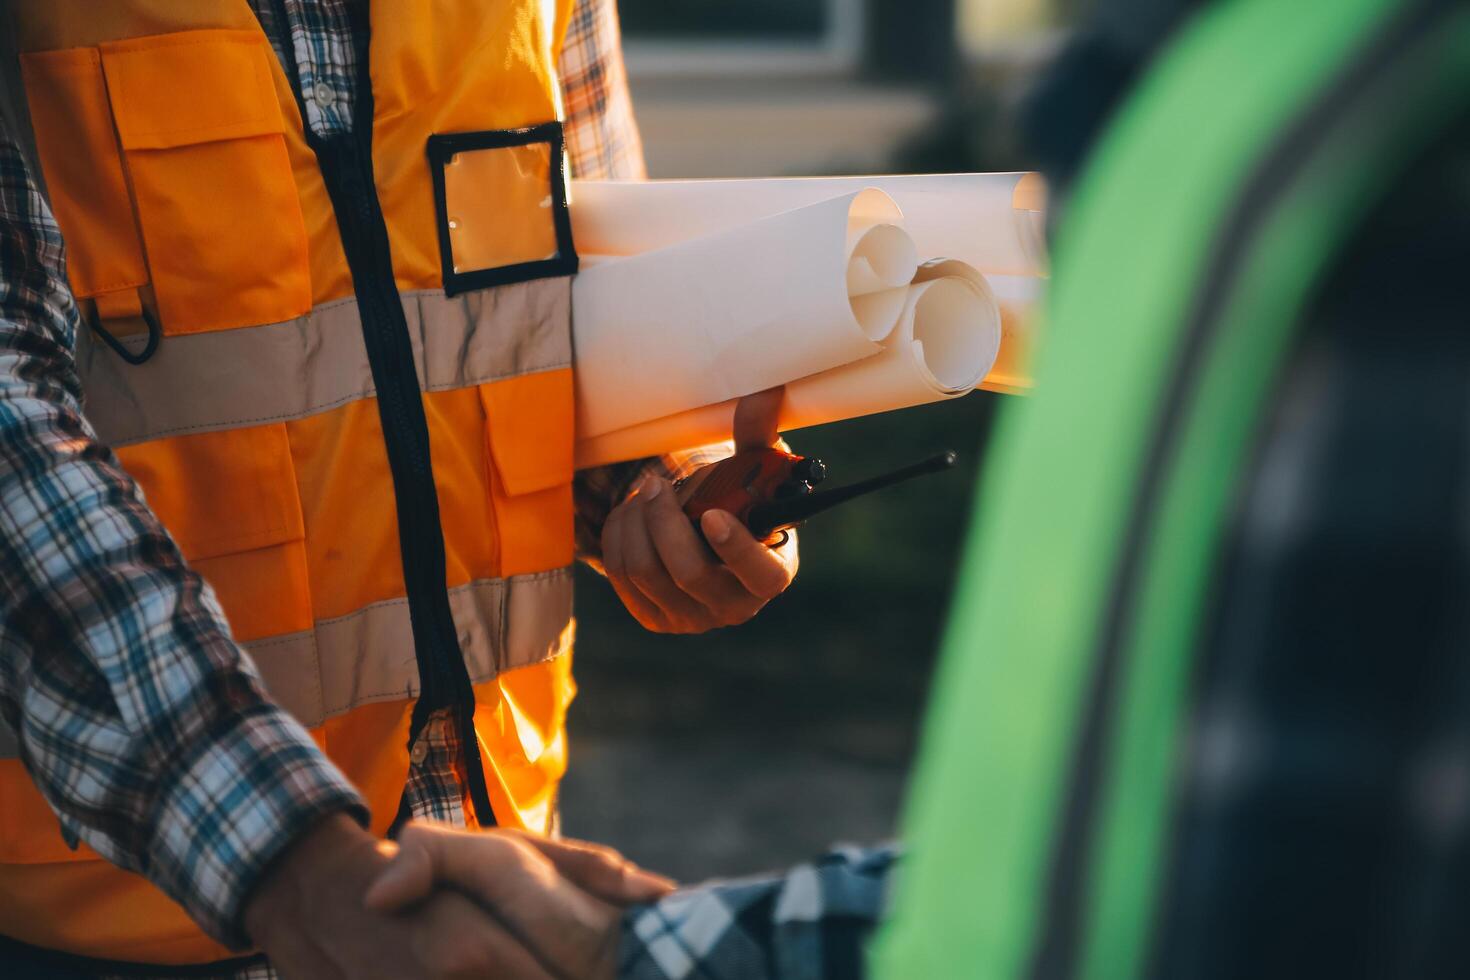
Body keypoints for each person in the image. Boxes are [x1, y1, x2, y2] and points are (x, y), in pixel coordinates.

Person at [360, 0, 1470, 976]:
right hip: (222, 901)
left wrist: (664, 492)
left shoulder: (1327, 117)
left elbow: (1213, 881)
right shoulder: (1234, 92)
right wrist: (290, 858)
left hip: (496, 815)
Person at [0, 0, 797, 976]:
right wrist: (292, 862)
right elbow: (12, 448)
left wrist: (655, 491)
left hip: (502, 868)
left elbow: (569, 296)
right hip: (135, 922)